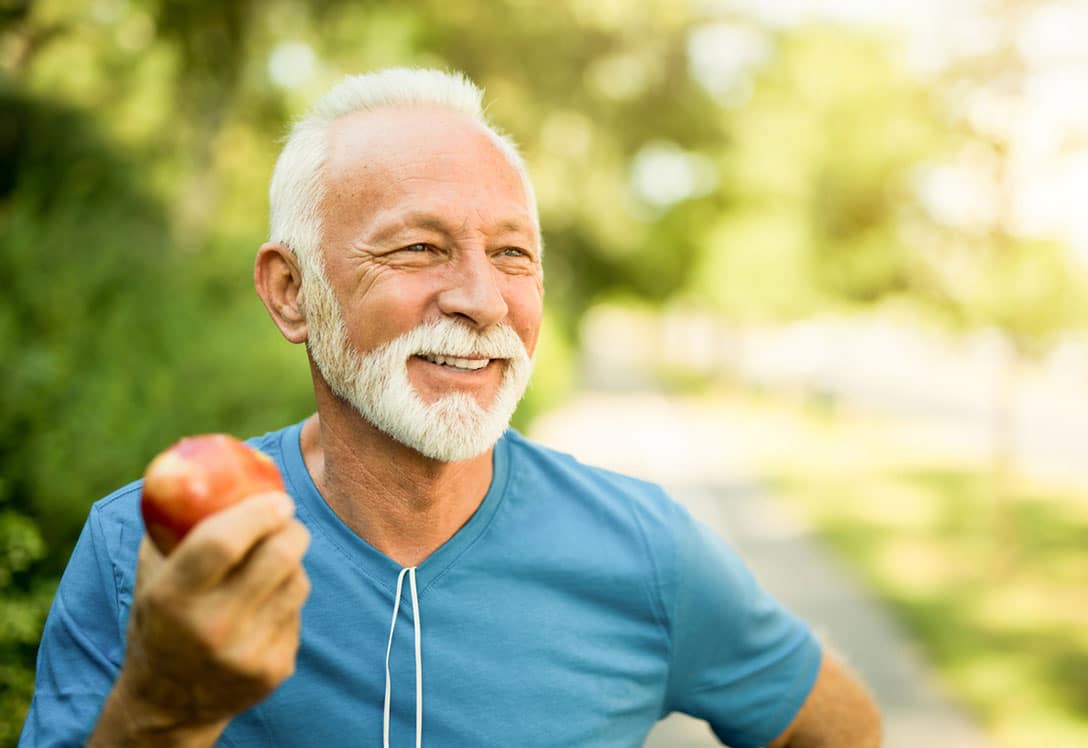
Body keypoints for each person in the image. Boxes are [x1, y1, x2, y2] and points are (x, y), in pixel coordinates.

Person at [20, 68, 882, 748]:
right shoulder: (151, 550)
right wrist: (163, 713)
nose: (482, 299)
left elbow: (844, 730)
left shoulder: (646, 551)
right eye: (419, 247)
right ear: (292, 293)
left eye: (513, 254)